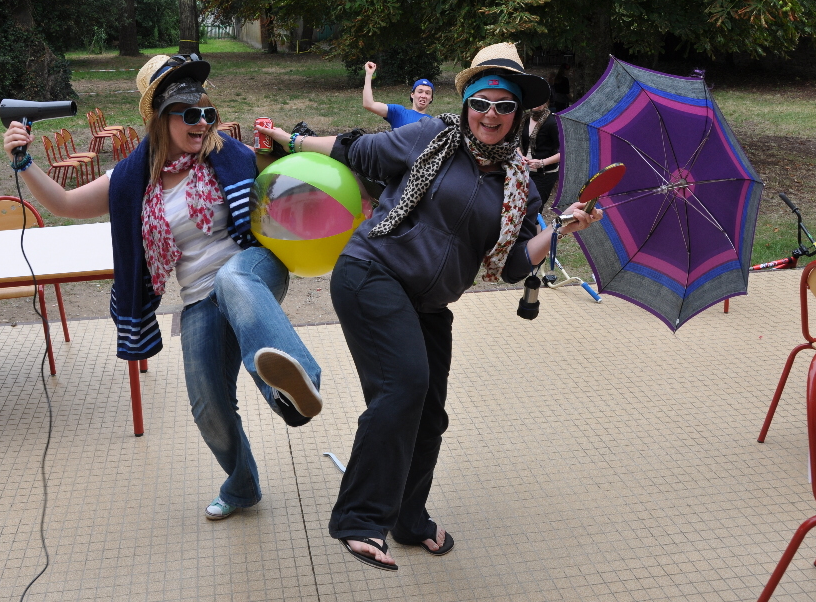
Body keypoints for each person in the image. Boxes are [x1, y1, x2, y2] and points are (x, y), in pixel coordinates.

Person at [258, 42, 603, 571]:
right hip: (372, 271)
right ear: (467, 104)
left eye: (504, 106)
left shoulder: (520, 186)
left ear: (517, 114)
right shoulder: (430, 137)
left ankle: (409, 518)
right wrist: (290, 139)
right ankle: (359, 518)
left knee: (430, 414)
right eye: (481, 102)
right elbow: (356, 151)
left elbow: (513, 265)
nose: (490, 114)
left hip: (428, 302)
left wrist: (559, 229)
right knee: (404, 386)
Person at [1, 54, 323, 521]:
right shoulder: (131, 180)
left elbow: (291, 181)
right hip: (199, 296)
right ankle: (241, 487)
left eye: (207, 112)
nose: (202, 122)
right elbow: (66, 203)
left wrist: (290, 148)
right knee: (208, 406)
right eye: (189, 114)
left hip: (253, 268)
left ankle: (296, 392)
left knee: (232, 278)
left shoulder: (232, 156)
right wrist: (24, 161)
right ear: (160, 119)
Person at [362, 61, 434, 129]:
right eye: (420, 92)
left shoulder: (434, 123)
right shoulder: (398, 112)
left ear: (431, 98)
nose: (423, 96)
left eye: (427, 93)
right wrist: (369, 74)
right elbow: (369, 104)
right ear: (412, 95)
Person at [522, 100, 560, 210]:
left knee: (534, 209)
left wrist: (542, 163)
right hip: (524, 170)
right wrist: (521, 156)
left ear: (546, 101)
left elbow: (565, 152)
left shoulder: (552, 122)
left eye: (541, 98)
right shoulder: (524, 118)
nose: (536, 101)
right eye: (535, 98)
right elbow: (515, 143)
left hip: (544, 174)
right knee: (521, 208)